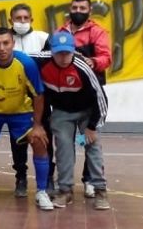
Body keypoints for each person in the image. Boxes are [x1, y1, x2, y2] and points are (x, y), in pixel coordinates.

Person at [0, 28, 53, 210]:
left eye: (6, 43)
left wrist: (38, 125)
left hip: (20, 112)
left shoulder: (26, 63)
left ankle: (41, 192)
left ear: (13, 44)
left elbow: (39, 95)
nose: (2, 48)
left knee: (39, 140)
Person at [31, 32, 109, 210]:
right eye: (59, 53)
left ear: (73, 51)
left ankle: (100, 190)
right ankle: (65, 190)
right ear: (51, 52)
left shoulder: (82, 67)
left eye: (67, 53)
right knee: (64, 148)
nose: (63, 57)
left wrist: (92, 127)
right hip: (62, 112)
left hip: (88, 112)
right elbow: (17, 55)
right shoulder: (41, 60)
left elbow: (100, 99)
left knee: (93, 147)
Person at [54, 0, 112, 201]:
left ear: (89, 11)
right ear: (70, 9)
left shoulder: (97, 32)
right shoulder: (60, 32)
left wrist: (92, 62)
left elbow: (107, 58)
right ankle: (65, 189)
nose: (78, 10)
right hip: (65, 104)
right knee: (64, 146)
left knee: (89, 142)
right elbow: (46, 57)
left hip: (88, 101)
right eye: (75, 7)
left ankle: (95, 185)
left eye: (82, 7)